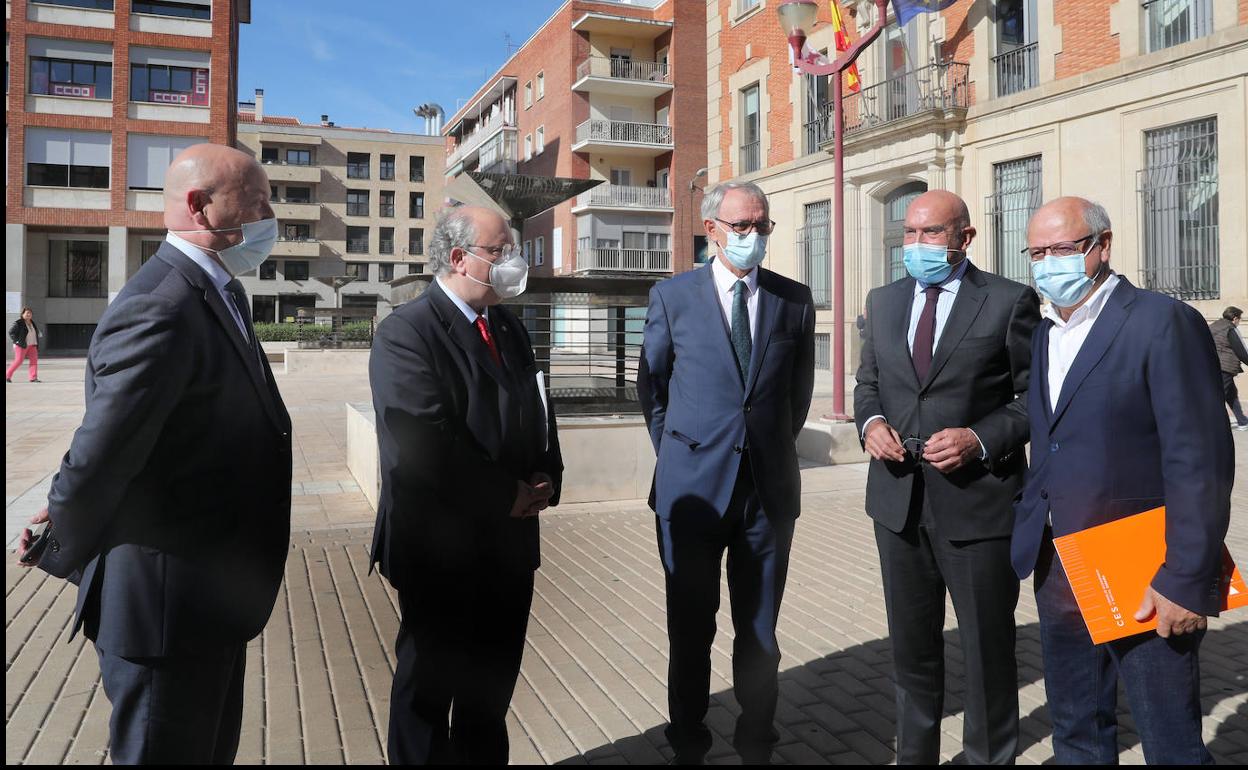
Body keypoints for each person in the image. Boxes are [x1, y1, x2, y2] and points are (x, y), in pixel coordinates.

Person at [15, 143, 291, 765]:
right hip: (166, 612)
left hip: (210, 600)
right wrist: (60, 536)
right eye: (258, 202)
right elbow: (102, 453)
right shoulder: (160, 304)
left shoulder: (219, 291)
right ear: (199, 207)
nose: (271, 215)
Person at [1012, 197, 1232, 764]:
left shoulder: (1161, 321)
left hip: (1143, 572)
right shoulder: (1045, 334)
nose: (1046, 263)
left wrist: (1186, 578)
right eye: (1037, 251)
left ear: (1101, 247)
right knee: (1077, 733)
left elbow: (1199, 459)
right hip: (1062, 563)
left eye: (1061, 248)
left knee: (1170, 744)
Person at [368, 206, 563, 765]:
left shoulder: (508, 325)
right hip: (442, 550)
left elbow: (539, 410)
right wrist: (508, 495)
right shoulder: (406, 332)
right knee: (427, 697)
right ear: (458, 259)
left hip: (509, 546)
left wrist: (547, 473)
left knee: (488, 697)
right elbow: (423, 445)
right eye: (500, 252)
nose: (513, 263)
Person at [854, 190, 1040, 765]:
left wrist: (979, 439)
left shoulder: (1010, 302)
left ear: (965, 237)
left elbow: (1036, 399)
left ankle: (989, 758)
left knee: (986, 650)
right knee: (912, 650)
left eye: (930, 233)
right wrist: (872, 423)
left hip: (978, 505)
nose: (916, 245)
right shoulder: (884, 302)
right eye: (909, 234)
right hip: (898, 503)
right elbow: (869, 384)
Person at [638, 181, 815, 764]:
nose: (753, 237)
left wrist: (763, 446)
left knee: (759, 631)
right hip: (691, 492)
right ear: (711, 229)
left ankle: (757, 740)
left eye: (761, 226)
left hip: (766, 494)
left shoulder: (793, 299)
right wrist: (681, 450)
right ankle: (688, 740)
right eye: (741, 227)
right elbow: (653, 385)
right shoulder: (672, 296)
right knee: (690, 630)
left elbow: (797, 394)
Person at [1208, 306, 1248, 430]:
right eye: (1239, 319)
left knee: (1231, 394)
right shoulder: (1230, 329)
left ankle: (1242, 421)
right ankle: (1210, 424)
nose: (1239, 322)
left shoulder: (1214, 326)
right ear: (1235, 318)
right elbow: (1241, 350)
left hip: (1212, 364)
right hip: (1225, 367)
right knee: (1218, 396)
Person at [7, 306, 41, 382]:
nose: (29, 314)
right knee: (18, 361)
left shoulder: (32, 322)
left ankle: (33, 377)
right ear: (22, 314)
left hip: (32, 345)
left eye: (30, 313)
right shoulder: (19, 323)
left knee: (34, 361)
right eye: (27, 313)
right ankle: (7, 375)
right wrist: (17, 341)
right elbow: (11, 332)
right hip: (21, 345)